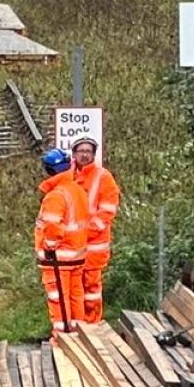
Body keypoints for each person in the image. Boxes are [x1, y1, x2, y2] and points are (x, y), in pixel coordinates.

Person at [34, 147, 90, 334]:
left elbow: (53, 226)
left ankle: (61, 338)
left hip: (58, 258)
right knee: (76, 296)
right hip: (77, 255)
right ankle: (79, 333)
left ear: (49, 170)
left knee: (59, 297)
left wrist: (49, 248)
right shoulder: (77, 190)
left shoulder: (56, 195)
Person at [71, 137, 121, 324]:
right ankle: (76, 324)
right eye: (81, 151)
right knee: (74, 288)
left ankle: (92, 323)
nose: (84, 154)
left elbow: (107, 210)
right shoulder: (68, 175)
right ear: (74, 154)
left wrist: (86, 231)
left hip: (93, 247)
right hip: (71, 246)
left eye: (88, 151)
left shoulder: (103, 177)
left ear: (93, 154)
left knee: (91, 289)